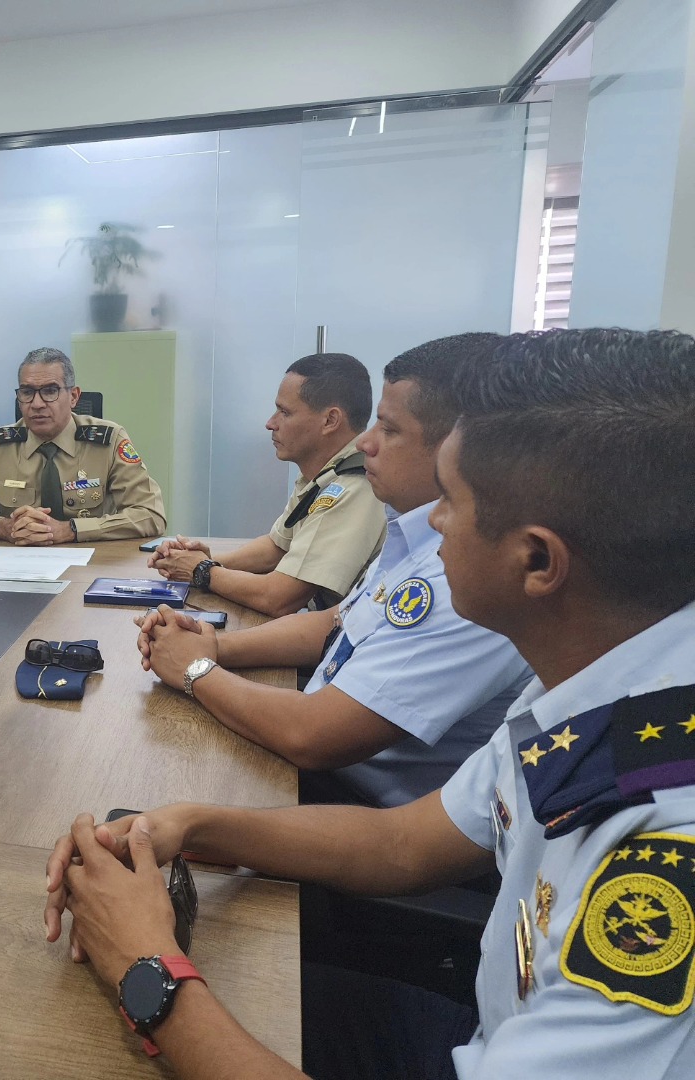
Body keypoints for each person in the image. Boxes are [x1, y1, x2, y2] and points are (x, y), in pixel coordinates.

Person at [45, 327, 695, 1078]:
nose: (434, 526)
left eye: (451, 501)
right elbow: (405, 845)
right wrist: (190, 824)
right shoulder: (590, 683)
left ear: (537, 559)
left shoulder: (664, 858)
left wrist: (143, 966)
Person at [137, 334, 531, 807]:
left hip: (359, 799)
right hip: (327, 761)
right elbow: (333, 623)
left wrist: (195, 667)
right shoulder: (413, 535)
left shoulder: (466, 579)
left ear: (456, 448)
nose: (365, 442)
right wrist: (214, 645)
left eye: (389, 429)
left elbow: (312, 733)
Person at [149, 353, 386, 615]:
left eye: (285, 412)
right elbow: (277, 547)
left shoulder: (355, 486)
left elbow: (279, 598)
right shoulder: (325, 472)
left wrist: (201, 570)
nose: (270, 423)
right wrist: (202, 561)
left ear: (330, 420)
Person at [0, 347, 166, 543]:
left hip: (90, 565)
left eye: (50, 391)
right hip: (14, 567)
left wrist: (70, 530)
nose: (37, 404)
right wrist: (2, 527)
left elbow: (151, 515)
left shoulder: (109, 441)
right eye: (27, 392)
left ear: (74, 397)